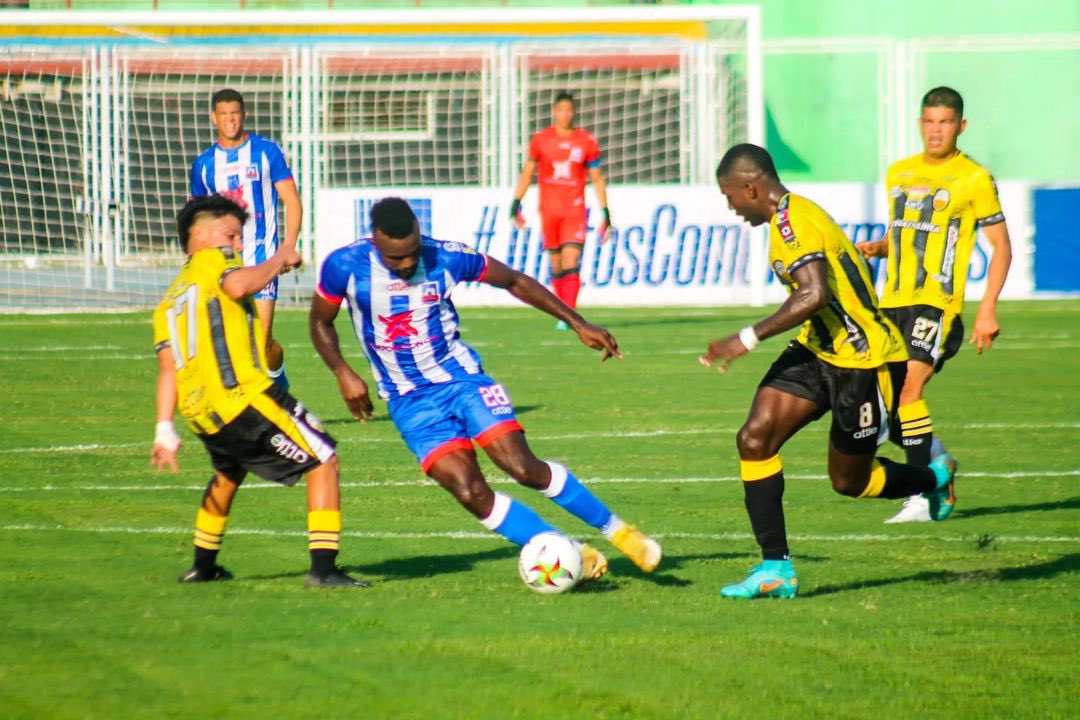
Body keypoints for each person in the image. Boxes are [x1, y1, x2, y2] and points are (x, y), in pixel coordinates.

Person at [309, 197, 660, 582]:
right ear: (376, 240)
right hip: (408, 401)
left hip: (462, 380)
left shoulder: (446, 256)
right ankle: (570, 552)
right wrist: (342, 371)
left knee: (522, 467)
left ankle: (620, 533)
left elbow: (514, 280)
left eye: (412, 252)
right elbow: (320, 322)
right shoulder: (344, 266)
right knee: (469, 491)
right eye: (397, 258)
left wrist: (578, 323)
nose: (408, 263)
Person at [703, 144, 957, 600]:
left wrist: (746, 338)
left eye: (730, 196)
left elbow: (814, 294)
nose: (731, 206)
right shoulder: (791, 216)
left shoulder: (793, 223)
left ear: (750, 188)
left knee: (850, 482)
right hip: (817, 350)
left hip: (864, 362)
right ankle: (775, 568)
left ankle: (935, 479)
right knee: (754, 438)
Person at [151, 195, 363, 588]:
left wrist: (164, 427)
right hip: (243, 397)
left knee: (228, 473)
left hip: (203, 413)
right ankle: (323, 570)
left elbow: (168, 369)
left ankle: (203, 566)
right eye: (231, 234)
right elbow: (238, 285)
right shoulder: (215, 259)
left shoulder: (169, 300)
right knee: (323, 460)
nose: (237, 244)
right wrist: (281, 256)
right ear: (201, 234)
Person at [857, 87, 1012, 524]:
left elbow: (1001, 247)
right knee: (884, 404)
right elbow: (905, 234)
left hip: (937, 305)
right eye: (929, 121)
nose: (936, 130)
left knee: (909, 390)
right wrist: (880, 247)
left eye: (945, 122)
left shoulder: (974, 177)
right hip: (892, 304)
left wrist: (987, 309)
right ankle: (939, 463)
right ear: (919, 123)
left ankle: (921, 494)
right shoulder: (899, 173)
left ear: (961, 126)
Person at [190, 88, 301, 391]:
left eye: (235, 114)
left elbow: (292, 201)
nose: (230, 120)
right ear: (214, 118)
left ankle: (275, 382)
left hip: (262, 255)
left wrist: (288, 246)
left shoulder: (266, 152)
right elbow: (197, 217)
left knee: (259, 343)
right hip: (223, 263)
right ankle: (268, 390)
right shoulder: (204, 165)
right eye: (224, 114)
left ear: (244, 115)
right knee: (234, 343)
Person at [510, 92, 611, 330]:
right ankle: (564, 313)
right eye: (561, 110)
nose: (565, 114)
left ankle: (570, 315)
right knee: (556, 265)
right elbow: (527, 173)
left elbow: (597, 178)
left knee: (571, 259)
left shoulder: (586, 142)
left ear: (574, 113)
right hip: (549, 211)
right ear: (554, 112)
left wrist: (606, 213)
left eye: (569, 110)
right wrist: (516, 203)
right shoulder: (541, 140)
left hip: (574, 211)